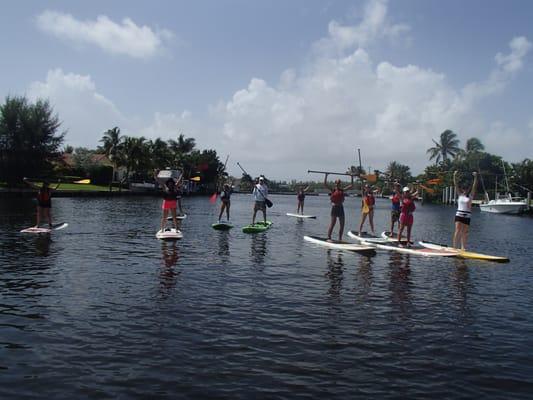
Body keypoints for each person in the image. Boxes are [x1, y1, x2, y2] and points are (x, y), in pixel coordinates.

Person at [324, 173, 354, 241]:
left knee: (342, 225)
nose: (337, 184)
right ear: (335, 184)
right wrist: (326, 176)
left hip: (340, 208)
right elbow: (325, 184)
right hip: (334, 208)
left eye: (338, 183)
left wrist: (351, 177)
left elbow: (351, 185)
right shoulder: (333, 190)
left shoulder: (342, 190)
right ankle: (329, 237)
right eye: (336, 183)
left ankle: (340, 238)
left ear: (340, 184)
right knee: (333, 224)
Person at [453, 171, 478, 250]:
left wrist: (475, 177)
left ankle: (463, 248)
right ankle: (454, 247)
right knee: (457, 231)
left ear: (468, 189)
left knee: (465, 232)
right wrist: (454, 175)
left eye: (466, 189)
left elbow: (474, 186)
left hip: (467, 215)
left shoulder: (470, 196)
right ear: (461, 189)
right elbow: (455, 184)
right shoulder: (459, 195)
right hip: (459, 215)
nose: (464, 190)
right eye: (463, 188)